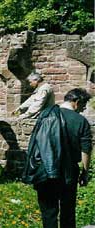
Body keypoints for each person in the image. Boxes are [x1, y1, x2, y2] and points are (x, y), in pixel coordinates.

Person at [23, 88, 92, 228]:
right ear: (76, 102)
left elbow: (36, 142)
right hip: (68, 172)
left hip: (45, 170)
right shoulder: (81, 121)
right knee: (68, 211)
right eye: (83, 106)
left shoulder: (45, 114)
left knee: (49, 211)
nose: (83, 109)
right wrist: (85, 172)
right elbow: (86, 150)